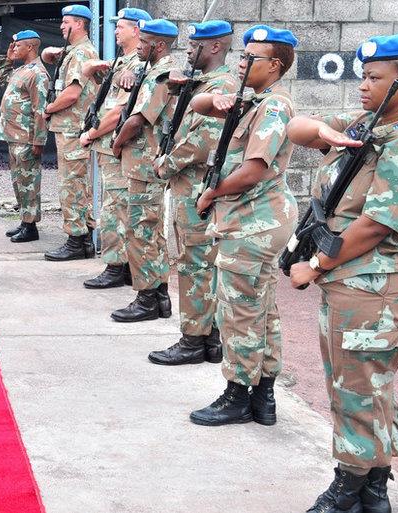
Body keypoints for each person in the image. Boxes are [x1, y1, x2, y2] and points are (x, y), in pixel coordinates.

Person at [286, 34, 398, 513]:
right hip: (354, 283)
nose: (363, 85)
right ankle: (374, 488)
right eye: (363, 75)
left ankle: (350, 487)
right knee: (364, 384)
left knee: (357, 388)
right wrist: (327, 131)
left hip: (377, 287)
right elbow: (296, 128)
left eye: (375, 77)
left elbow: (376, 225)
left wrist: (313, 266)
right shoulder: (367, 125)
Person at [186, 25, 300, 428]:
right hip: (253, 220)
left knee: (238, 312)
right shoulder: (252, 100)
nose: (242, 62)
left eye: (252, 58)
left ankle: (237, 395)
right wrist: (216, 97)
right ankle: (263, 395)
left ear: (275, 66)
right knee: (261, 309)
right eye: (242, 55)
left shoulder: (273, 106)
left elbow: (253, 170)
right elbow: (198, 104)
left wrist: (211, 194)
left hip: (252, 222)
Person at [148, 20, 237, 365]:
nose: (187, 50)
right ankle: (209, 338)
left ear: (215, 47)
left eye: (195, 45)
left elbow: (203, 141)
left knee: (195, 265)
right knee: (198, 263)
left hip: (199, 188)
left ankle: (194, 340)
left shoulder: (222, 86)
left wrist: (166, 163)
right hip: (190, 187)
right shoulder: (201, 84)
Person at [108, 18, 178, 323]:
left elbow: (138, 119)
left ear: (159, 46)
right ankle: (159, 295)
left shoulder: (161, 75)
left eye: (145, 42)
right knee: (151, 231)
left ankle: (146, 298)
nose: (139, 46)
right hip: (145, 163)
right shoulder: (151, 69)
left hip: (144, 163)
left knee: (141, 232)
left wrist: (116, 143)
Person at [79, 7, 151, 288]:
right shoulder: (123, 61)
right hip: (109, 146)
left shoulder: (137, 65)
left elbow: (119, 111)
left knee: (115, 208)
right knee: (116, 205)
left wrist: (91, 133)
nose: (115, 31)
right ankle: (124, 266)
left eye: (120, 27)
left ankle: (116, 266)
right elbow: (95, 81)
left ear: (136, 30)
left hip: (116, 147)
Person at [41, 4, 100, 261]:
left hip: (72, 128)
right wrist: (50, 52)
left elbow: (72, 93)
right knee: (78, 184)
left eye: (66, 22)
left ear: (79, 24)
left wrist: (48, 109)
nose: (61, 26)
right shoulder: (74, 51)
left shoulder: (81, 53)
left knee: (71, 184)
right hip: (71, 128)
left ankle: (76, 240)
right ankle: (84, 240)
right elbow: (46, 55)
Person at [0, 30, 49, 243]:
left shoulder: (38, 73)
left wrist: (39, 140)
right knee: (19, 181)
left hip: (26, 136)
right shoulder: (21, 70)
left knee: (29, 182)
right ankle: (24, 221)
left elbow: (41, 109)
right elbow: (2, 79)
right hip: (13, 135)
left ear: (30, 47)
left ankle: (30, 226)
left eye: (18, 45)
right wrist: (8, 60)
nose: (14, 48)